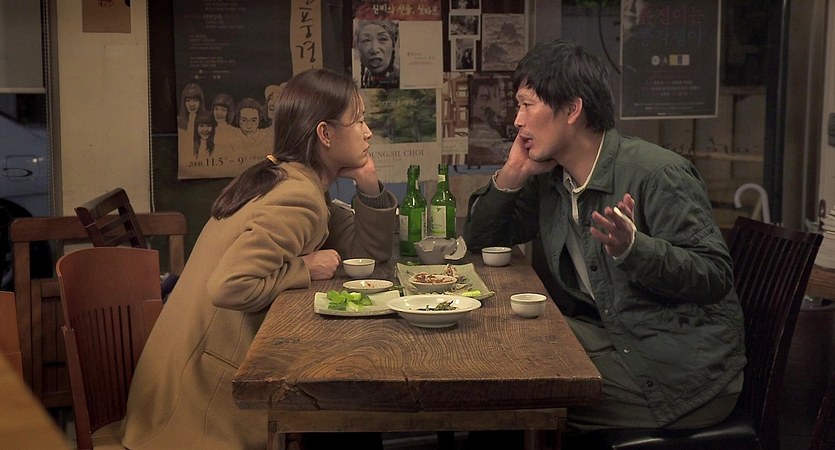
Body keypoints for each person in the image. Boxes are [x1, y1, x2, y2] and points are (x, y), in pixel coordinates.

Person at [463, 39, 745, 441]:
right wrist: (513, 172)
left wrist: (635, 249)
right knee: (495, 346)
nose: (517, 120)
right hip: (615, 338)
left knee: (507, 394)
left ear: (572, 110)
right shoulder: (554, 178)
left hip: (680, 371)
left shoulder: (657, 174)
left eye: (527, 105)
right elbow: (481, 240)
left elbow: (714, 274)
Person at [121, 68, 397, 450]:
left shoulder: (289, 178)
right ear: (325, 134)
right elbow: (229, 286)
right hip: (199, 403)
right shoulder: (297, 198)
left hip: (171, 386)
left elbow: (366, 255)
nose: (368, 132)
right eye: (359, 120)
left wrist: (369, 183)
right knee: (346, 412)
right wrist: (304, 267)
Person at [355, 19, 399, 88]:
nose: (374, 49)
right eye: (366, 40)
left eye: (383, 39)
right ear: (358, 47)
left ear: (393, 45)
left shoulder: (401, 79)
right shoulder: (367, 76)